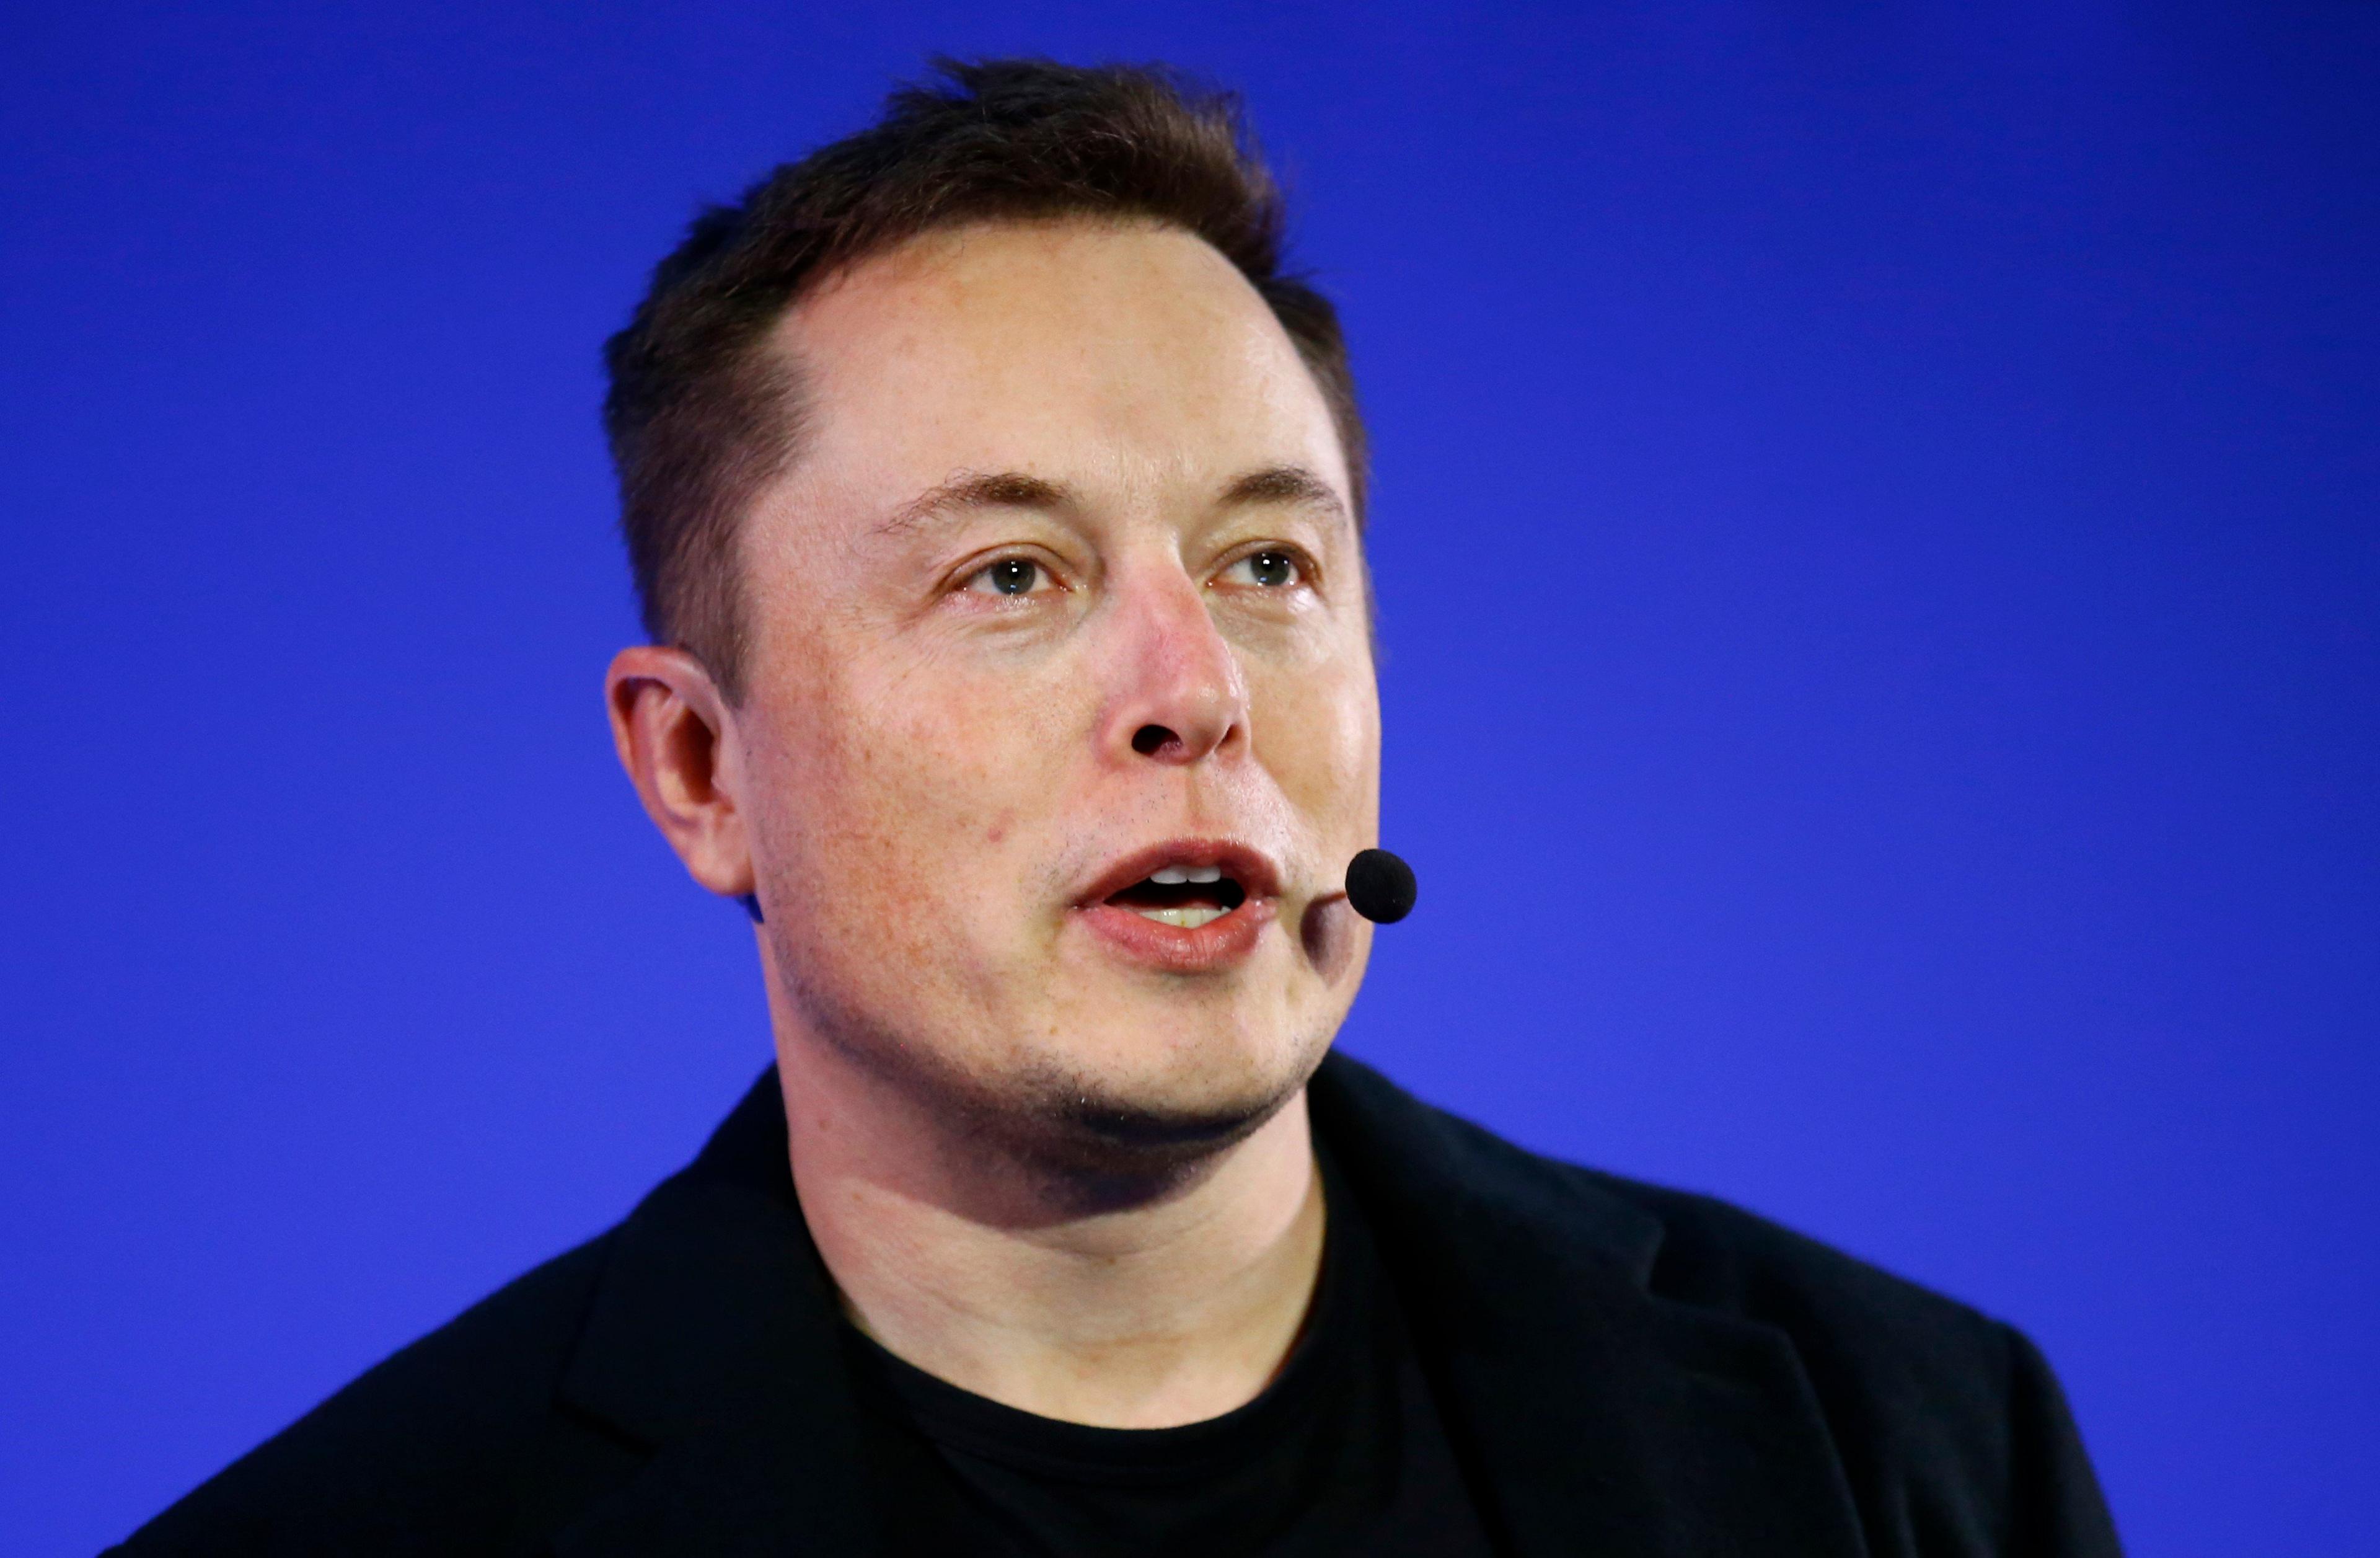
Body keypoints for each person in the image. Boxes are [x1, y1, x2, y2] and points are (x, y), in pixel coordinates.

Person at [112, 58, 2122, 1557]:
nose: (1196, 693)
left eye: (1270, 564)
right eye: (1013, 576)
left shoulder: (1913, 1447)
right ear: (701, 769)